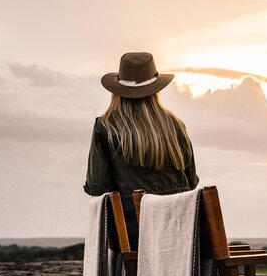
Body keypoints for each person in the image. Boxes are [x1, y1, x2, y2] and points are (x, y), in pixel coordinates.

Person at [84, 51, 199, 251]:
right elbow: (191, 183)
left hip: (133, 237)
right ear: (156, 90)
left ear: (116, 91)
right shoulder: (176, 125)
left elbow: (97, 187)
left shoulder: (106, 127)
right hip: (180, 231)